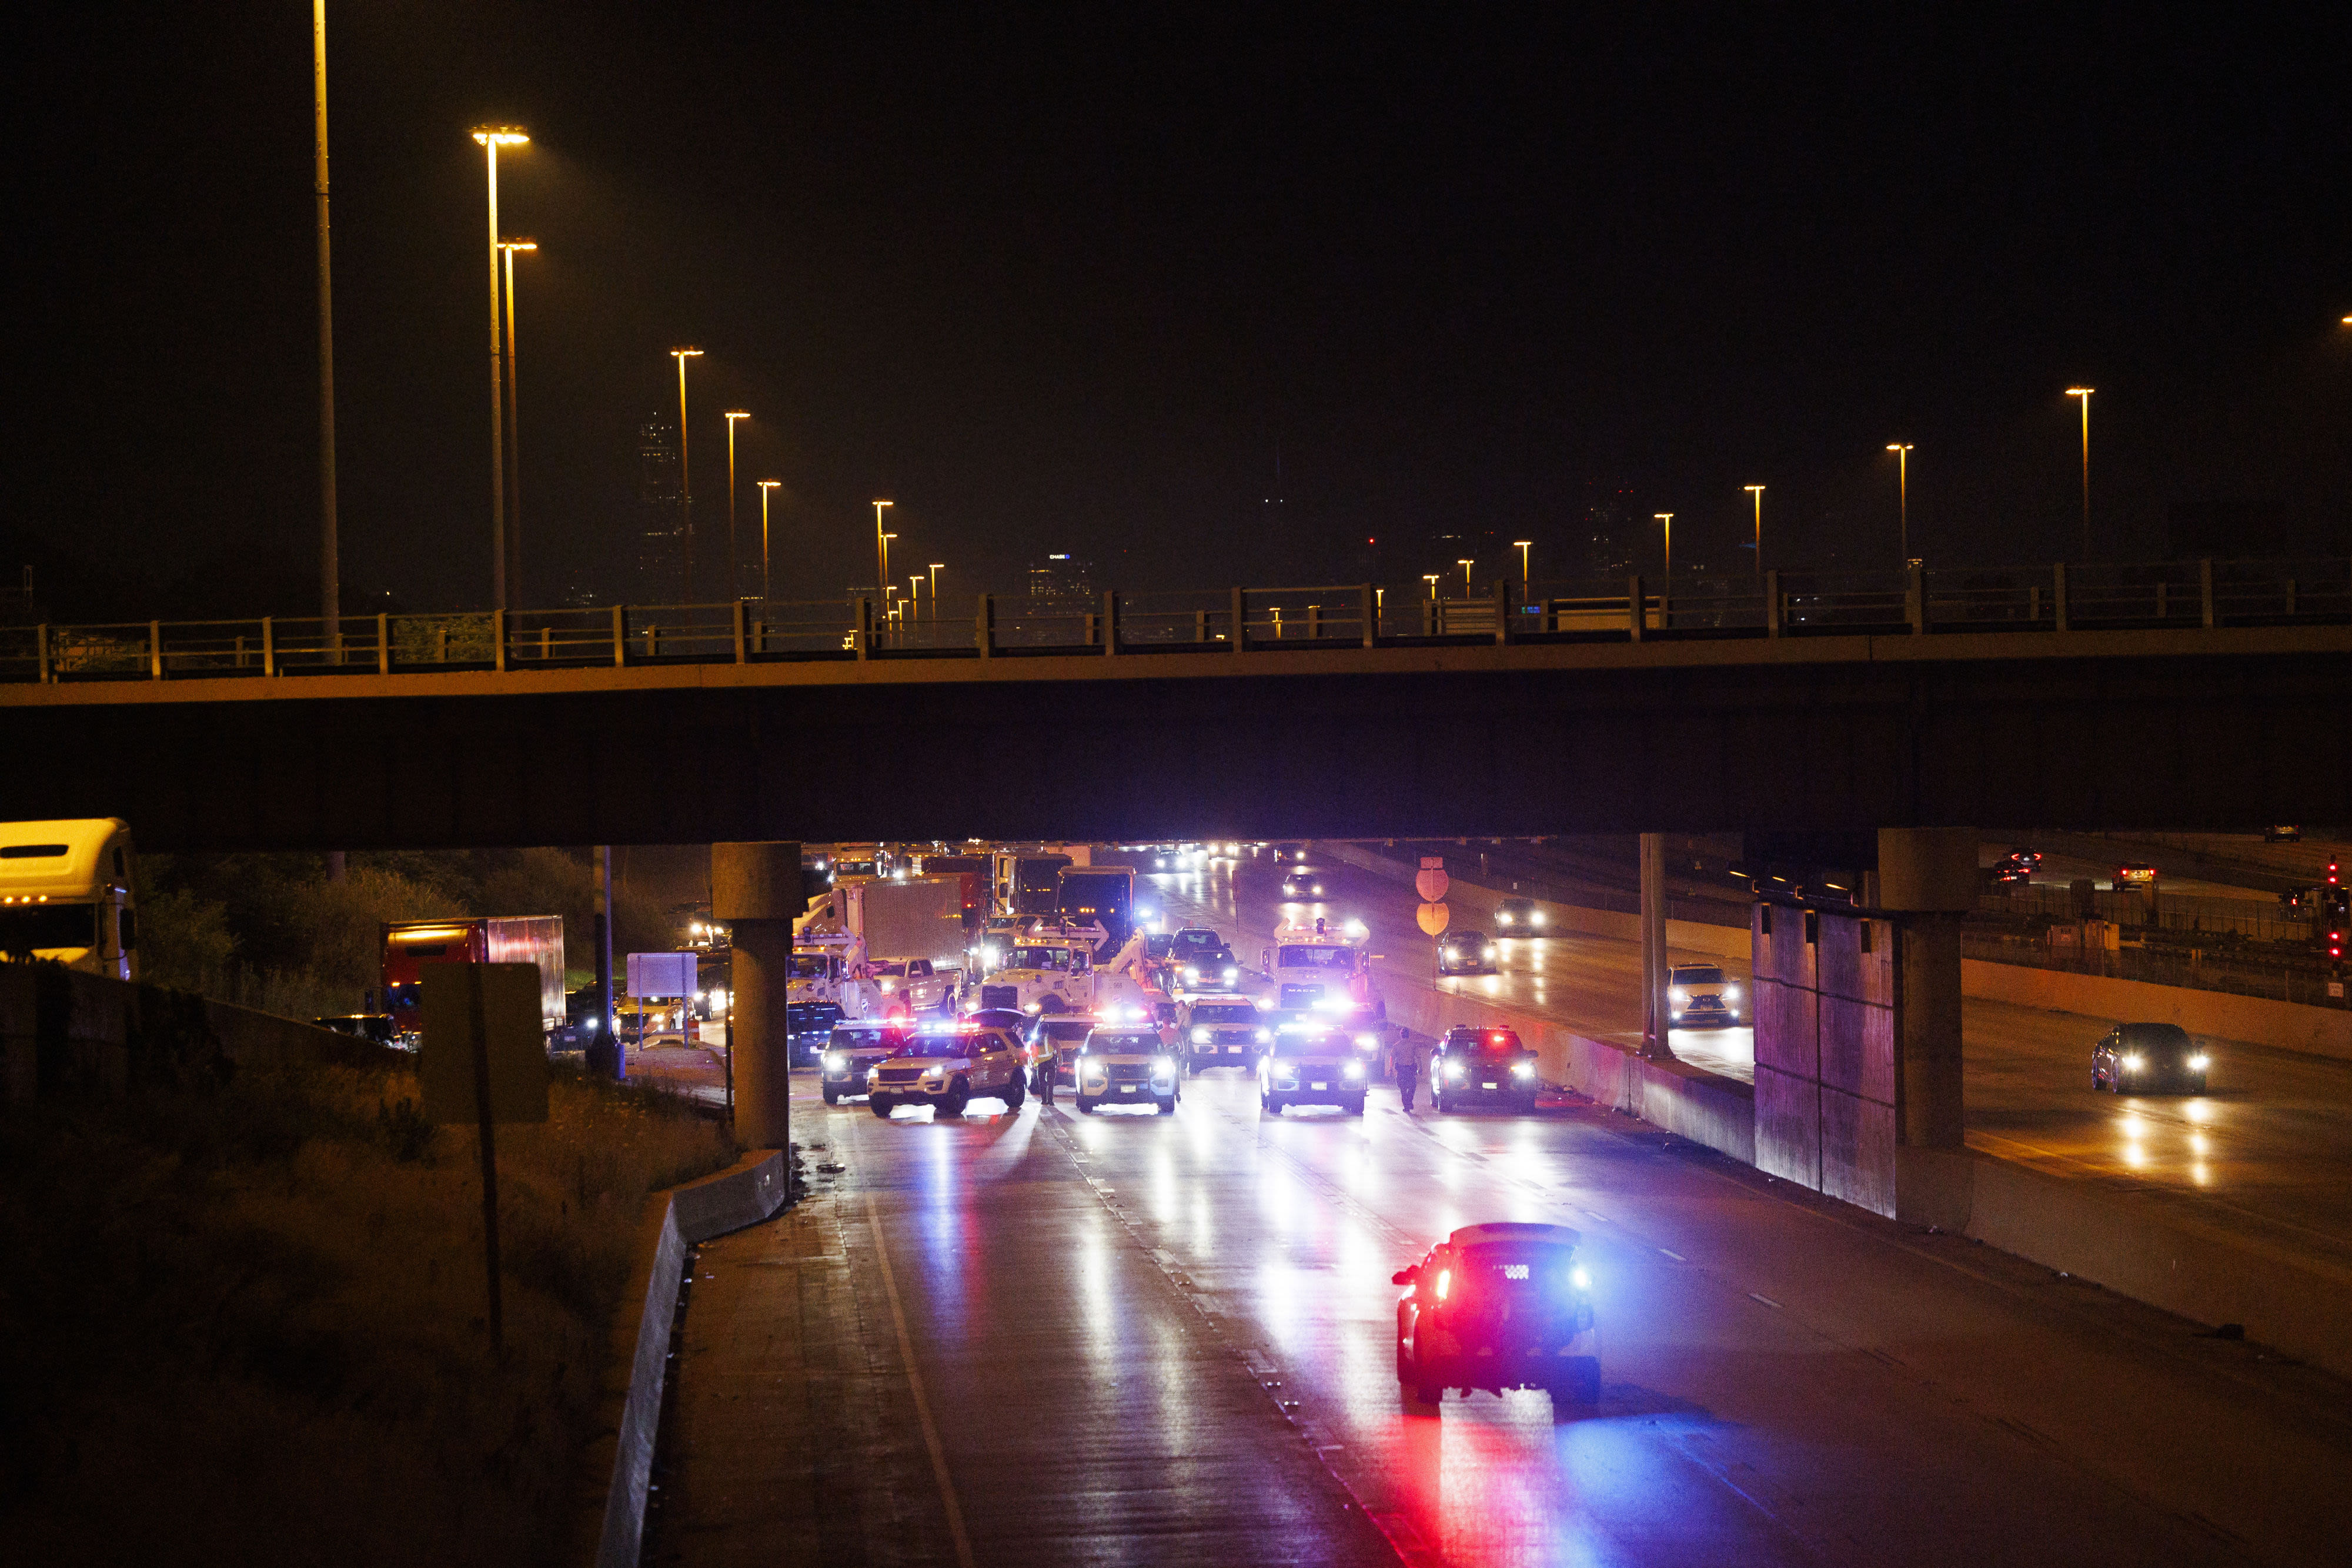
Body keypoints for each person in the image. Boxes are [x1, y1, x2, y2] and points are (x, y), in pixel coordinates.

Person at [1395, 1031, 1431, 1111]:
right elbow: (1418, 1057)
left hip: (1401, 1070)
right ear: (1408, 1035)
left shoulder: (1397, 1046)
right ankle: (1409, 1101)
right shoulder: (1413, 1045)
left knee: (1403, 1089)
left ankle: (1406, 1105)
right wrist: (1420, 1068)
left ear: (1401, 1035)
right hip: (1410, 1070)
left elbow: (1392, 1057)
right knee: (1412, 1087)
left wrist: (1390, 1069)